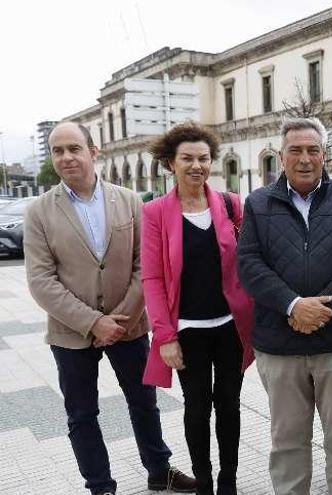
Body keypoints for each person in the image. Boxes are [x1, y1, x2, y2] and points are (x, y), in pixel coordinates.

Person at [24, 122, 196, 495]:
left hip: (129, 326)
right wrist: (94, 322)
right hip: (71, 333)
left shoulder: (130, 200)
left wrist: (123, 317)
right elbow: (41, 280)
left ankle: (159, 471)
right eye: (58, 151)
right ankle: (100, 486)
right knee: (82, 415)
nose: (66, 157)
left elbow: (146, 265)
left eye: (74, 148)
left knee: (144, 403)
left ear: (93, 151)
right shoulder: (39, 211)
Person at [237, 118, 332, 495]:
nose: (304, 158)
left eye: (312, 150)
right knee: (287, 439)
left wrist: (321, 309)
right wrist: (293, 305)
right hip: (280, 344)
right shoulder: (258, 203)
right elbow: (249, 264)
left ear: (325, 155)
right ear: (281, 157)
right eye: (295, 150)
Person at [140, 123, 255, 495]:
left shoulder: (230, 204)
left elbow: (248, 263)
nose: (196, 166)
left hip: (229, 327)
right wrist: (165, 337)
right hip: (187, 329)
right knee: (197, 408)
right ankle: (203, 483)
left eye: (203, 158)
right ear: (170, 163)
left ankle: (229, 483)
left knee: (230, 405)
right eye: (187, 158)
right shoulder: (156, 212)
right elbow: (153, 279)